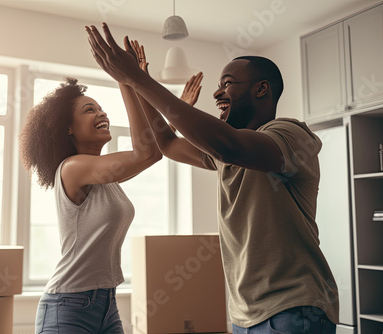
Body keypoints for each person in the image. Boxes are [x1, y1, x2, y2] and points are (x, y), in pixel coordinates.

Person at [86, 23, 340, 334]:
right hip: (245, 314)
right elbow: (166, 142)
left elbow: (228, 145)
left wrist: (138, 79)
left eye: (228, 83)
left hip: (292, 308)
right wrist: (136, 82)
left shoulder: (290, 135)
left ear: (262, 89)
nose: (218, 92)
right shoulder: (225, 154)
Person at [19, 58, 163, 332]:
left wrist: (143, 87)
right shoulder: (73, 168)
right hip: (68, 305)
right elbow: (146, 152)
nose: (101, 114)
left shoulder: (104, 176)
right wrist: (126, 80)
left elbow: (153, 152)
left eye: (102, 109)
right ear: (68, 128)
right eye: (89, 110)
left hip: (106, 303)